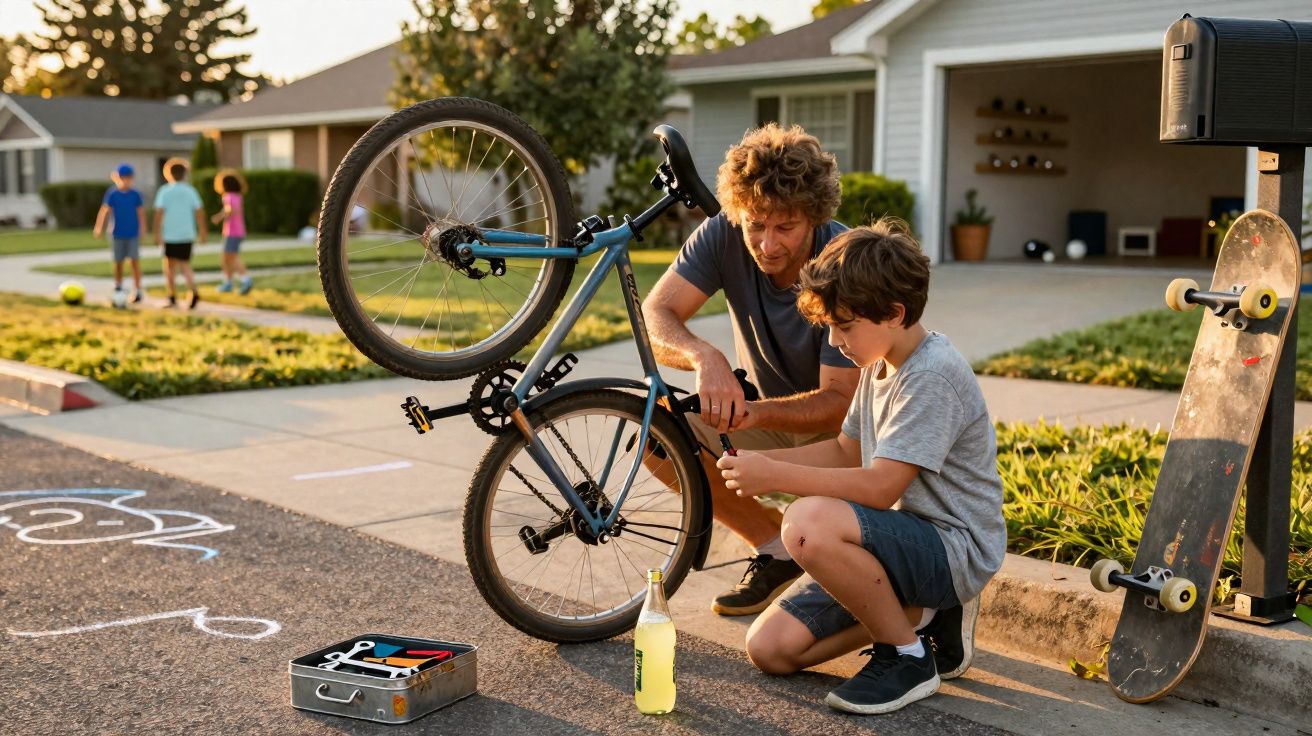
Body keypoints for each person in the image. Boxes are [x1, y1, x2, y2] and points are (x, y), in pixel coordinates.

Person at [716, 220, 1006, 715]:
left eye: (844, 326)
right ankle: (919, 617)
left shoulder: (931, 375)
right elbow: (846, 451)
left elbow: (878, 487)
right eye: (830, 326)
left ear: (894, 313)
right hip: (895, 545)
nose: (835, 340)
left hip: (951, 546)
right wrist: (759, 463)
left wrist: (776, 478)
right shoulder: (878, 363)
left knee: (806, 523)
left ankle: (907, 657)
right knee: (771, 650)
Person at [642, 123, 860, 616]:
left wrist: (753, 415)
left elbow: (837, 405)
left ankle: (820, 549)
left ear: (815, 217)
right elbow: (655, 315)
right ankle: (774, 549)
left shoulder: (843, 262)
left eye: (785, 227)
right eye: (755, 224)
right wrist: (705, 357)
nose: (765, 243)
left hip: (846, 440)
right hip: (762, 417)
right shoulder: (724, 232)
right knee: (658, 435)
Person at [153, 158, 207, 308]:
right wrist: (203, 231)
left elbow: (158, 213)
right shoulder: (190, 191)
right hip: (187, 234)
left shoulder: (164, 191)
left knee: (170, 267)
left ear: (167, 174)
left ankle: (172, 296)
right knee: (185, 265)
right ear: (185, 174)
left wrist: (156, 233)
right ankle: (193, 290)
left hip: (170, 235)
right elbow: (200, 212)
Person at [92, 163, 146, 303]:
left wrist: (143, 229)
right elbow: (105, 211)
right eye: (124, 178)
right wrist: (99, 228)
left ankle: (138, 288)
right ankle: (118, 286)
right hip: (117, 233)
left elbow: (140, 213)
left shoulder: (135, 195)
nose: (126, 180)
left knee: (134, 261)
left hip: (132, 233)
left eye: (129, 178)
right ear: (117, 178)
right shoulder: (113, 194)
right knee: (118, 262)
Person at [211, 169, 252, 295]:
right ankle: (228, 283)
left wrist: (219, 217)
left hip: (232, 232)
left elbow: (230, 210)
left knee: (231, 258)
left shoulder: (228, 196)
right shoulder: (237, 196)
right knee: (226, 259)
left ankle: (245, 280)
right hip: (237, 231)